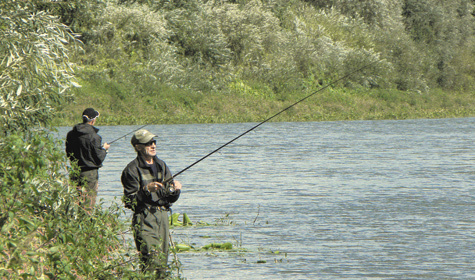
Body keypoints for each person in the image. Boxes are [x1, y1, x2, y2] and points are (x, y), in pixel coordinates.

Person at [121, 129, 182, 277]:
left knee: (162, 264)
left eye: (154, 142)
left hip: (162, 217)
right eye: (148, 143)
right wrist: (146, 190)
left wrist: (175, 191)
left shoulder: (162, 165)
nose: (153, 145)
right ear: (138, 147)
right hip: (144, 217)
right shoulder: (131, 170)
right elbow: (130, 202)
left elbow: (168, 197)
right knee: (150, 261)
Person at [65, 108, 110, 207]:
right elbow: (99, 158)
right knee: (88, 204)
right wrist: (104, 149)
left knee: (75, 203)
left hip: (75, 171)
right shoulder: (95, 137)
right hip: (89, 174)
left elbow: (69, 153)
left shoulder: (71, 134)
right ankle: (86, 222)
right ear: (93, 120)